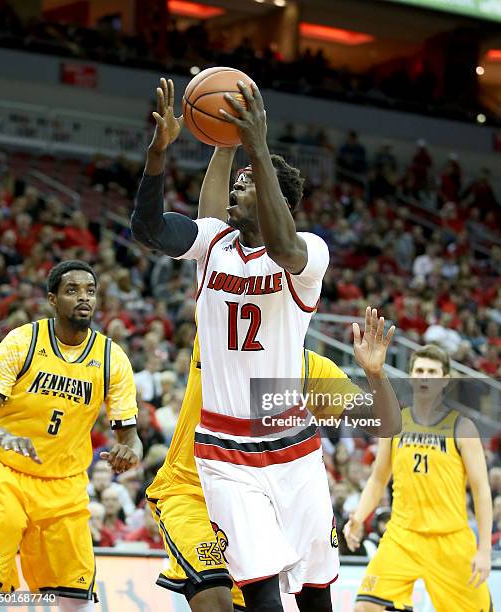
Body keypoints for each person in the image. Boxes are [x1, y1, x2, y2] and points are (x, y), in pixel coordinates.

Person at [132, 78, 401, 612]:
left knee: (316, 598)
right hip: (222, 456)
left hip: (293, 454)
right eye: (239, 182)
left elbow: (385, 422)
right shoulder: (213, 243)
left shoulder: (311, 256)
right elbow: (149, 229)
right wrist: (159, 158)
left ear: (277, 199)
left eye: (248, 183)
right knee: (258, 601)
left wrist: (374, 374)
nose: (236, 188)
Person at [0, 260, 143, 611]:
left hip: (65, 485)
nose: (83, 297)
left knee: (74, 599)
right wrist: (3, 437)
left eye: (90, 291)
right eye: (72, 290)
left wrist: (129, 451)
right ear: (52, 300)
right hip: (3, 475)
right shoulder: (22, 341)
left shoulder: (111, 357)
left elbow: (130, 437)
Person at [344, 345, 493, 612]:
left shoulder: (463, 427)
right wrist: (358, 517)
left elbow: (482, 492)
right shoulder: (394, 423)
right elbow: (378, 479)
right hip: (403, 536)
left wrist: (484, 550)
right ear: (411, 376)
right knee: (366, 607)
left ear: (445, 380)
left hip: (451, 539)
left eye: (433, 372)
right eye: (420, 371)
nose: (425, 377)